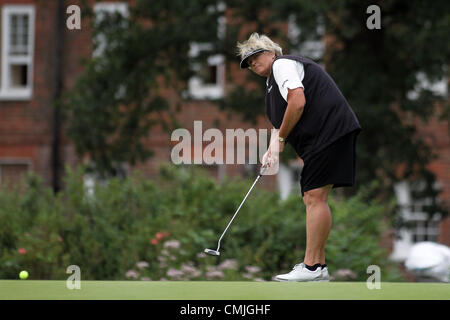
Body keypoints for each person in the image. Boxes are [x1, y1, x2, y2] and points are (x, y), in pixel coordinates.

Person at [237, 33, 361, 282]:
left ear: (272, 53)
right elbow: (278, 123)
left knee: (314, 196)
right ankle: (318, 266)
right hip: (330, 134)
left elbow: (298, 101)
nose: (252, 64)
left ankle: (312, 267)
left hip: (330, 132)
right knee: (314, 196)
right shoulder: (272, 83)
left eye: (256, 57)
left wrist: (281, 140)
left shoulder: (283, 65)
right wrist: (272, 149)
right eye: (248, 63)